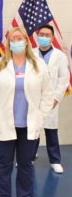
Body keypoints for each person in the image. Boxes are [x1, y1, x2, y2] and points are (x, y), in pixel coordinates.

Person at [0, 26, 53, 197]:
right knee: (4, 164)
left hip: (29, 124)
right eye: (13, 39)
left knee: (25, 164)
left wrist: (41, 115)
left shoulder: (38, 64)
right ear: (9, 43)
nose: (16, 42)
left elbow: (48, 93)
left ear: (26, 41)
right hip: (5, 124)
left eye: (19, 38)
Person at [32, 24, 69, 174]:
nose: (44, 38)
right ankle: (30, 156)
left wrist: (56, 98)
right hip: (34, 98)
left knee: (51, 130)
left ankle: (55, 161)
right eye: (42, 34)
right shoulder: (31, 53)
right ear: (37, 36)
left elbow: (63, 78)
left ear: (52, 38)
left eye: (47, 35)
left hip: (51, 99)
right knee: (33, 129)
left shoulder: (60, 55)